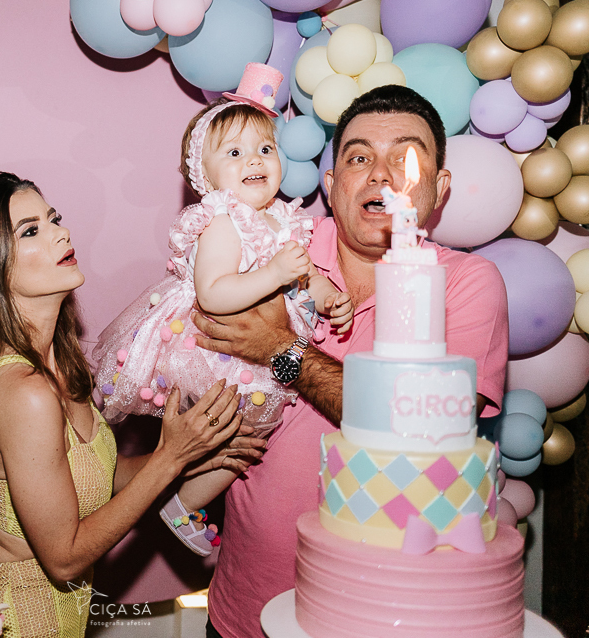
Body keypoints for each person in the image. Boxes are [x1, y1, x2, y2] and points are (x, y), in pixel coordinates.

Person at [190, 84, 511, 638]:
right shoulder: (272, 253)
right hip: (243, 609)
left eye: (404, 159)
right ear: (331, 183)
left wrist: (282, 349)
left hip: (386, 613)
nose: (380, 175)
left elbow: (427, 429)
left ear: (440, 187)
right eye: (359, 158)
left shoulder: (464, 285)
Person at [0, 172, 260, 638]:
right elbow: (64, 559)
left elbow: (96, 476)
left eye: (53, 218)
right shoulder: (22, 394)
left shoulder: (57, 366)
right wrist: (169, 457)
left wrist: (196, 454)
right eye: (31, 231)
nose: (61, 233)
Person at [93, 63, 353, 557]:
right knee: (239, 435)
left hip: (260, 351)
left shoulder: (282, 219)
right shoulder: (221, 221)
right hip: (215, 348)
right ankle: (181, 503)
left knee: (246, 435)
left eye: (265, 149)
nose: (255, 159)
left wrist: (327, 298)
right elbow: (213, 294)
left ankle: (183, 500)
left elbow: (302, 277)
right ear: (206, 177)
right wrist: (273, 275)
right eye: (234, 153)